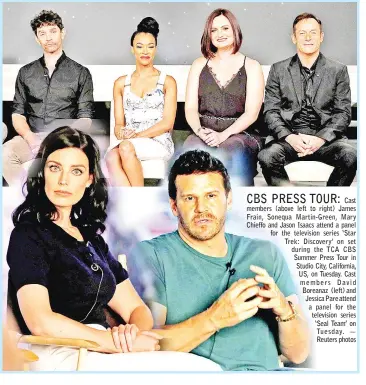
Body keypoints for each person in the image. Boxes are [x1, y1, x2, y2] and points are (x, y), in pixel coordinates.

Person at [128, 150, 310, 371]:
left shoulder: (265, 252)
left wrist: (285, 311)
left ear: (229, 199)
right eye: (189, 198)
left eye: (211, 196)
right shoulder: (152, 255)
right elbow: (146, 346)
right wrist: (215, 318)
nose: (201, 208)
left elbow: (298, 354)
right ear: (174, 206)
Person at [6, 126, 162, 370]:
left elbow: (136, 309)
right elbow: (40, 321)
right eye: (54, 168)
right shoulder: (28, 236)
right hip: (54, 351)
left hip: (102, 351)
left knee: (196, 367)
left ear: (89, 179)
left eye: (76, 171)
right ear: (42, 172)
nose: (63, 180)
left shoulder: (93, 240)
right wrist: (111, 341)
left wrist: (131, 335)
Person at [258, 13, 357, 186]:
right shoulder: (278, 70)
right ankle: (288, 205)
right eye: (302, 33)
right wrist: (290, 137)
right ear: (294, 38)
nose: (308, 37)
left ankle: (330, 208)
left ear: (321, 37)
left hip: (327, 140)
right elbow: (270, 112)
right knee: (267, 156)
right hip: (289, 138)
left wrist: (320, 138)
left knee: (350, 156)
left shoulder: (338, 70)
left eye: (313, 32)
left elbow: (343, 113)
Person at [3, 10, 94, 186]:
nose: (48, 38)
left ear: (62, 33)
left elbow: (85, 119)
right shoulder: (25, 72)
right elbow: (18, 114)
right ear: (37, 39)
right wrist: (29, 137)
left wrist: (58, 138)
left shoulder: (81, 73)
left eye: (53, 31)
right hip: (31, 137)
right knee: (4, 155)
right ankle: (27, 197)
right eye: (42, 34)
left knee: (59, 163)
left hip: (64, 137)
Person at [184, 8, 264, 186]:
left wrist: (222, 136)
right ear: (208, 35)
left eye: (225, 28)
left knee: (231, 149)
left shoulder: (252, 66)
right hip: (205, 131)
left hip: (240, 133)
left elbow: (251, 114)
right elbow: (190, 108)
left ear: (235, 30)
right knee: (191, 148)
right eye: (214, 30)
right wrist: (199, 131)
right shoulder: (199, 64)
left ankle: (235, 209)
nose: (220, 34)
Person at [106, 17, 177, 186]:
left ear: (155, 49)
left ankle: (137, 202)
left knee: (124, 148)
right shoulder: (121, 83)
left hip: (158, 142)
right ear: (132, 49)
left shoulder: (167, 82)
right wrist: (121, 133)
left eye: (150, 46)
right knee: (111, 156)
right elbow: (118, 125)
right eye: (139, 46)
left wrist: (136, 136)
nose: (145, 51)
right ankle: (135, 205)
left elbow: (167, 123)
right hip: (129, 142)